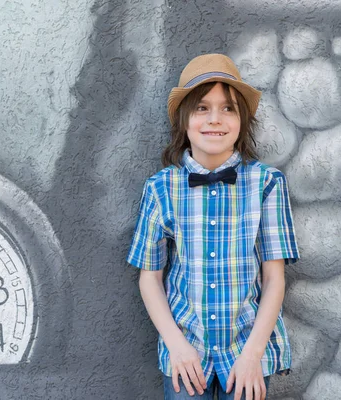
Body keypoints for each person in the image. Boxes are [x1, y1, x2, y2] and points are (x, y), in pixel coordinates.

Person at [127, 54, 299, 400]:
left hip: (247, 350)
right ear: (184, 119)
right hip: (187, 352)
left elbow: (274, 278)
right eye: (202, 108)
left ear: (241, 120)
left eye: (228, 109)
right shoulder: (161, 188)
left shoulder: (266, 184)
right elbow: (150, 277)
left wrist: (253, 354)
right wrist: (176, 346)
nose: (215, 120)